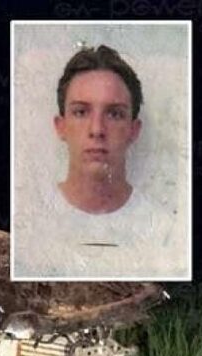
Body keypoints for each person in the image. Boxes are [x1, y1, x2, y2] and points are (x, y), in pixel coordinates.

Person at [14, 44, 180, 279]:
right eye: (81, 112)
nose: (97, 129)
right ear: (61, 126)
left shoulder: (166, 232)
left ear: (133, 130)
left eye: (114, 113)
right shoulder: (26, 228)